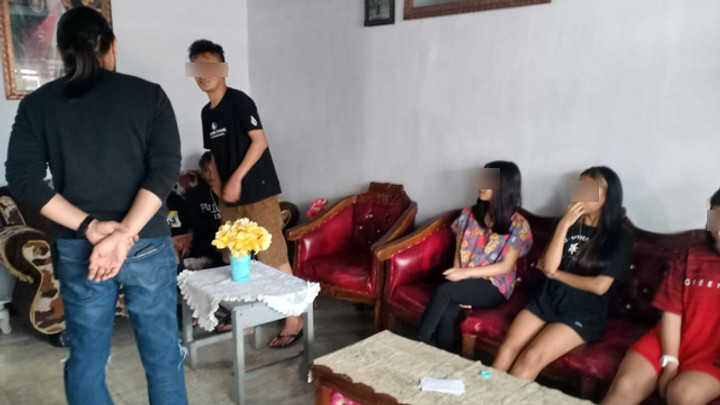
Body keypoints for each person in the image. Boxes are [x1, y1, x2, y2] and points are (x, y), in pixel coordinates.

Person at [5, 7, 187, 405]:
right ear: (112, 45)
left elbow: (22, 178)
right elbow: (164, 170)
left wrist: (91, 227)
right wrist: (125, 234)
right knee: (163, 358)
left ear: (61, 51)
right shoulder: (149, 95)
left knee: (87, 360)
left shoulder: (39, 104)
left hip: (80, 244)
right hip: (147, 241)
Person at [188, 39, 302, 348]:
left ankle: (294, 318)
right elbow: (214, 155)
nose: (203, 74)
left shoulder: (239, 101)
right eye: (197, 68)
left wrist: (236, 178)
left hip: (257, 191)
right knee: (236, 258)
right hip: (230, 197)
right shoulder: (206, 113)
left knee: (273, 255)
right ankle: (247, 319)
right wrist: (219, 188)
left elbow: (259, 141)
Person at [492, 166, 633, 381]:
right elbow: (549, 266)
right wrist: (565, 225)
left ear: (607, 198)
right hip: (548, 295)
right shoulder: (564, 223)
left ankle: (507, 397)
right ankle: (483, 393)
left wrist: (556, 275)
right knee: (507, 348)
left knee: (531, 357)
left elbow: (599, 286)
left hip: (585, 308)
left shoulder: (620, 237)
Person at [601, 189, 720, 405]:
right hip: (670, 339)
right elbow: (671, 312)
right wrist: (670, 361)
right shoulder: (689, 255)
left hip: (713, 355)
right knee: (625, 384)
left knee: (683, 394)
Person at [416, 161, 533, 352]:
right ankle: (446, 356)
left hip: (494, 285)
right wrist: (460, 279)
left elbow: (505, 267)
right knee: (448, 310)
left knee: (444, 292)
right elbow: (459, 252)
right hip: (465, 277)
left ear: (504, 186)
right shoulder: (468, 215)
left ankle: (417, 345)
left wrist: (464, 275)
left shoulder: (518, 225)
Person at [168, 152, 223, 271]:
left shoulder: (232, 193)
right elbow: (179, 223)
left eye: (215, 169)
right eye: (206, 170)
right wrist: (179, 237)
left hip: (227, 240)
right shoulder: (184, 197)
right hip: (205, 241)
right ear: (202, 173)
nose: (211, 174)